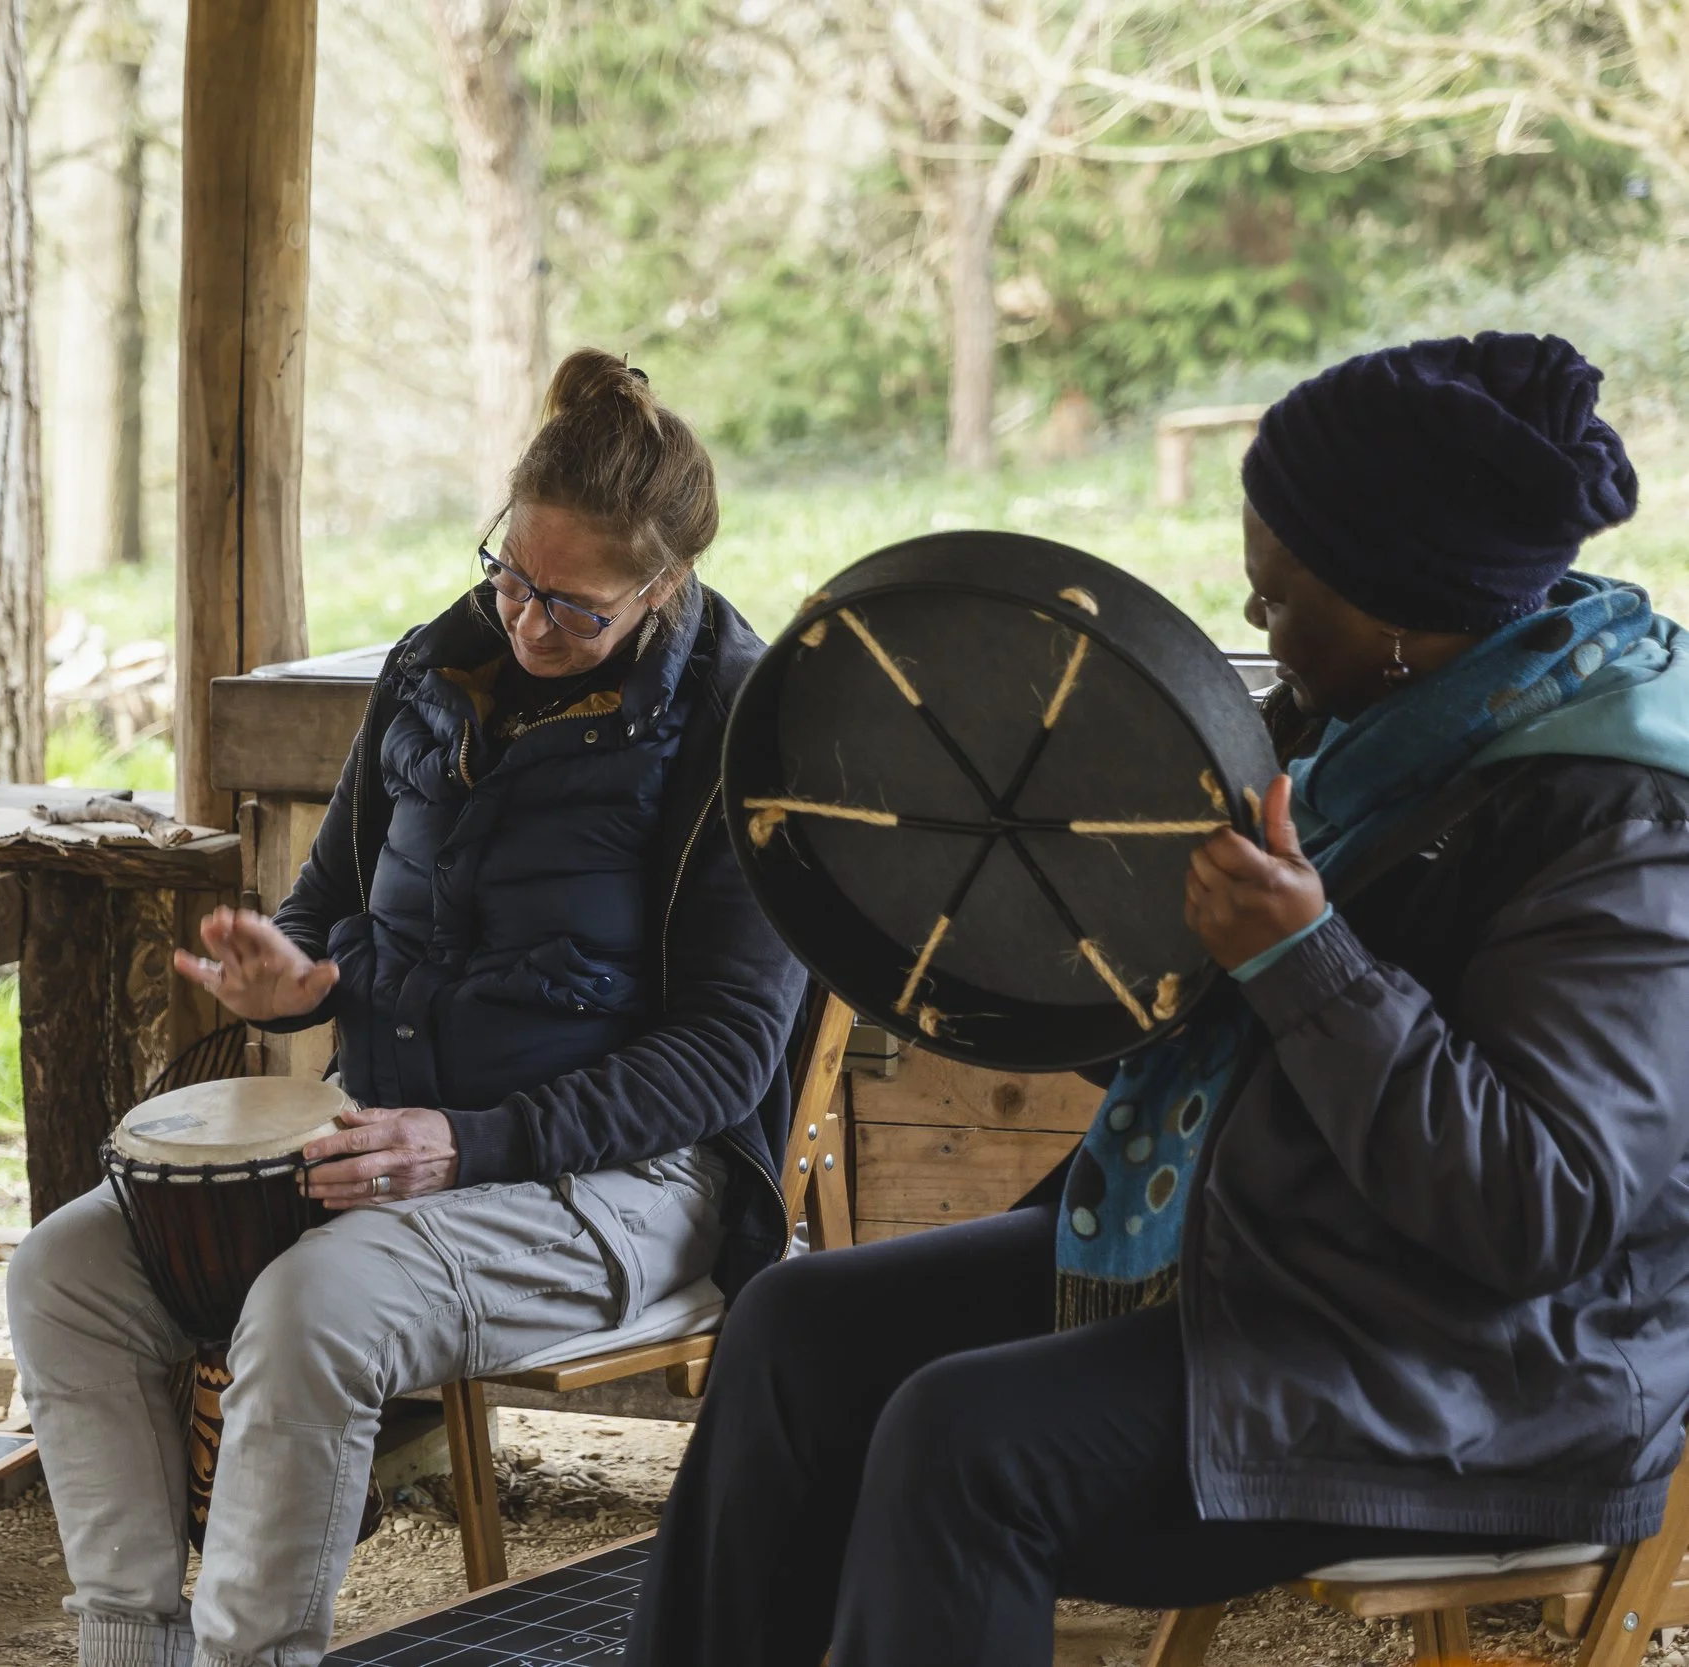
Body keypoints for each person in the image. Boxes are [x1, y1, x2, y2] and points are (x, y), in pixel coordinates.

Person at [633, 331, 1689, 1665]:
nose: (1255, 626)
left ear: (1405, 616)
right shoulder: (1374, 723)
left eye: (1283, 595)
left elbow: (1538, 1204)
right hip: (1278, 1249)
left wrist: (1304, 957)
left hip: (1484, 1364)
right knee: (794, 1326)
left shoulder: (1623, 816)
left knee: (962, 1443)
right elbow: (1204, 1026)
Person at [7, 349, 809, 1667]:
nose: (527, 622)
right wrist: (294, 975)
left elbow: (724, 1058)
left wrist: (464, 1143)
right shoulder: (440, 667)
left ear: (663, 587)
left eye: (574, 606)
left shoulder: (745, 728)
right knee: (65, 1274)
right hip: (387, 1132)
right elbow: (326, 909)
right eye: (511, 574)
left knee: (314, 1307)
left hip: (625, 1178)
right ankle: (133, 1648)